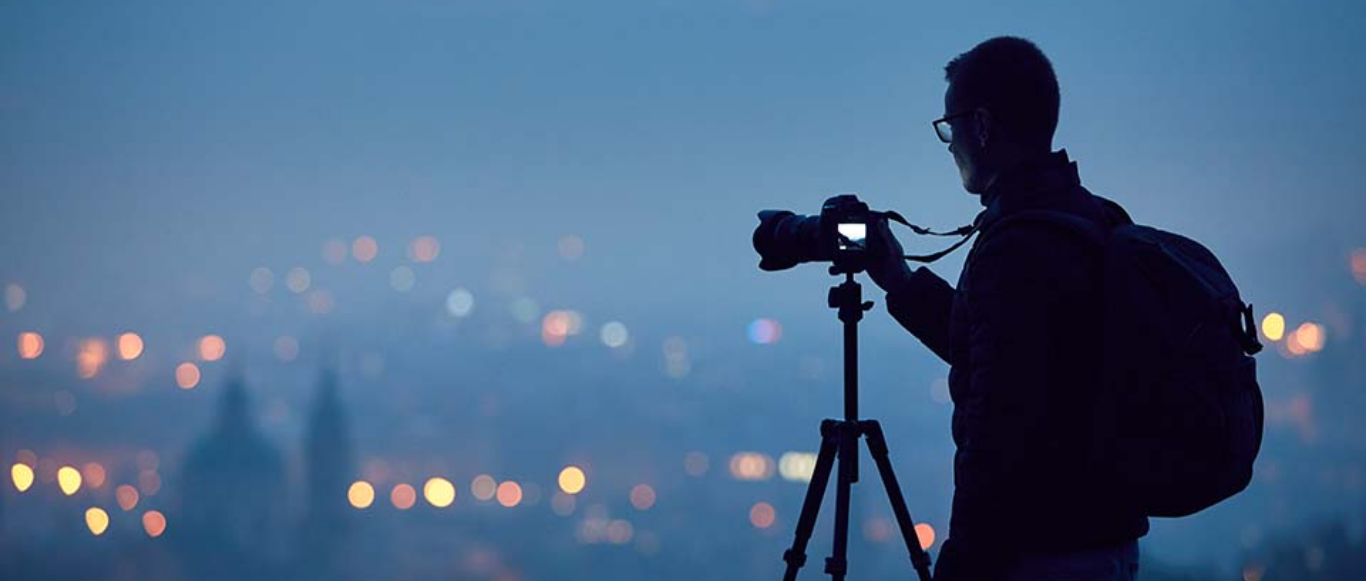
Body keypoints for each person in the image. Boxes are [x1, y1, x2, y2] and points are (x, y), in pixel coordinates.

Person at [866, 37, 1147, 581]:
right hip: (1107, 540)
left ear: (983, 126)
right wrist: (899, 281)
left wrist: (962, 562)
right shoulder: (1095, 219)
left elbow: (998, 431)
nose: (949, 146)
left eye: (950, 127)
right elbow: (999, 349)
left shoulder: (1016, 246)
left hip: (1041, 552)